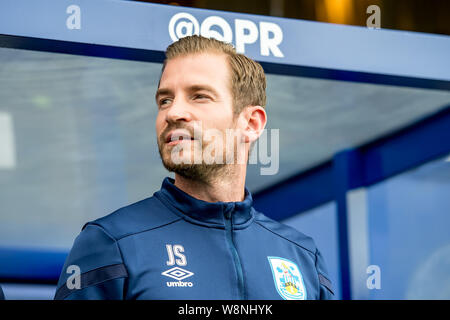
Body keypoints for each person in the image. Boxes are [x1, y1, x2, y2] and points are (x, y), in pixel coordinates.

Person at [54, 35, 334, 300]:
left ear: (250, 124)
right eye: (165, 100)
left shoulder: (303, 257)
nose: (173, 113)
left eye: (199, 96)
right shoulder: (111, 243)